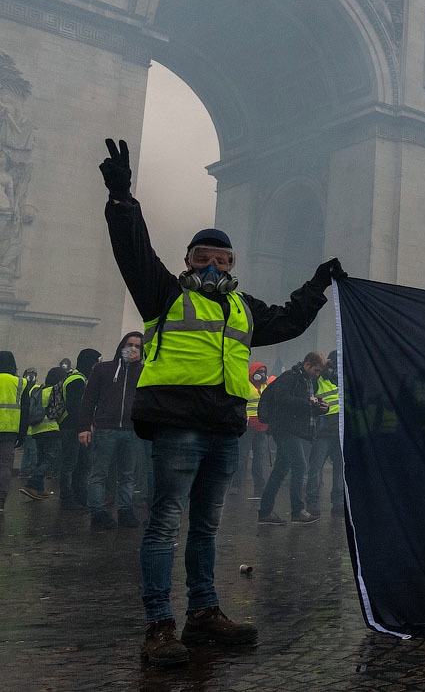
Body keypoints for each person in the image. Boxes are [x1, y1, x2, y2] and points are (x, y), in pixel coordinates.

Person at [98, 138, 344, 665]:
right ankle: (159, 627)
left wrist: (319, 283)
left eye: (220, 259)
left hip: (225, 430)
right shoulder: (162, 293)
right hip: (177, 428)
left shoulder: (245, 309)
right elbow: (133, 250)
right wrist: (123, 200)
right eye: (202, 258)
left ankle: (203, 613)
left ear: (233, 263)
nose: (211, 266)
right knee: (166, 522)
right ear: (187, 261)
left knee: (206, 526)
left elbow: (291, 318)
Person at [78, 332, 146, 530]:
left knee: (127, 475)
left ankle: (125, 512)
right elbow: (88, 399)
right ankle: (98, 513)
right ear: (121, 346)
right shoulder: (103, 369)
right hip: (106, 428)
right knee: (99, 473)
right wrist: (84, 426)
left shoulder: (144, 372)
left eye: (137, 346)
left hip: (132, 430)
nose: (133, 349)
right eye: (129, 344)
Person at [257, 352, 329, 525]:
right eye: (316, 370)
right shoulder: (290, 377)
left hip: (293, 429)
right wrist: (308, 403)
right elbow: (282, 399)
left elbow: (303, 405)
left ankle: (265, 512)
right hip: (284, 428)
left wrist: (320, 408)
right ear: (307, 364)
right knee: (300, 465)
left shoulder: (308, 382)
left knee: (280, 470)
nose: (317, 374)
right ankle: (297, 511)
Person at [57, 348, 101, 509]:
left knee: (80, 464)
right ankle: (68, 497)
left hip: (74, 426)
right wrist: (86, 425)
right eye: (96, 361)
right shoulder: (77, 380)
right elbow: (76, 407)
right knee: (73, 464)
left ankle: (78, 496)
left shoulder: (77, 377)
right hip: (75, 428)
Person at [20, 367, 67, 500]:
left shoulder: (38, 390)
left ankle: (39, 489)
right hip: (53, 429)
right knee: (50, 458)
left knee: (41, 459)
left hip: (36, 430)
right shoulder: (56, 391)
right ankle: (31, 483)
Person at [306, 351, 344, 517]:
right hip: (322, 431)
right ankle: (312, 503)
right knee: (316, 468)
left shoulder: (340, 379)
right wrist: (326, 364)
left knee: (339, 468)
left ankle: (338, 503)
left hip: (339, 431)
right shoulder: (318, 377)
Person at [230, 363, 270, 498]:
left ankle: (259, 487)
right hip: (247, 427)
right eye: (259, 371)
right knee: (242, 456)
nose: (262, 374)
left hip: (261, 427)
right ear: (252, 372)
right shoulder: (246, 385)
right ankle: (235, 485)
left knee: (259, 458)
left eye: (264, 371)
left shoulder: (265, 386)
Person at [0, 350, 29, 514]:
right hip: (9, 431)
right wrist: (22, 433)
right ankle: (1, 501)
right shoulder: (20, 382)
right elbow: (25, 410)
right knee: (4, 466)